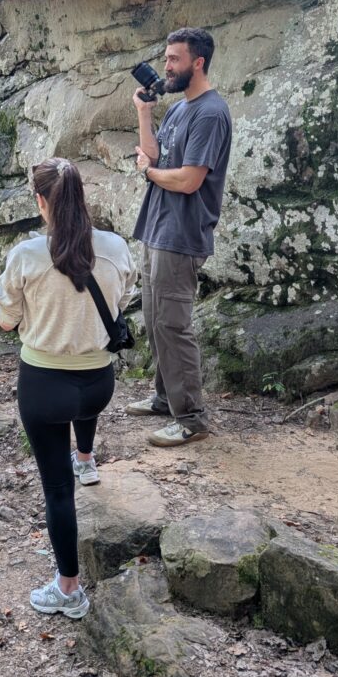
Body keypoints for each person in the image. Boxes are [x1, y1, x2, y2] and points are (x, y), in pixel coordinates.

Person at [0, 158, 135, 619]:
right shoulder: (115, 247)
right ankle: (87, 457)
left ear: (40, 202)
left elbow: (5, 320)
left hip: (44, 385)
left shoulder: (27, 255)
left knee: (57, 490)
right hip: (98, 384)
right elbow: (121, 299)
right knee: (81, 406)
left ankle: (69, 588)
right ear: (82, 197)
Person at [129, 27, 232, 447]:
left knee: (173, 324)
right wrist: (144, 114)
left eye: (174, 59)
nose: (166, 66)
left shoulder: (210, 112)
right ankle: (163, 398)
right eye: (166, 57)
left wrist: (148, 174)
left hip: (182, 233)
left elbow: (189, 180)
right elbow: (153, 154)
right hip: (157, 226)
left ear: (198, 63)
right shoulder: (178, 110)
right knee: (155, 321)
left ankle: (190, 418)